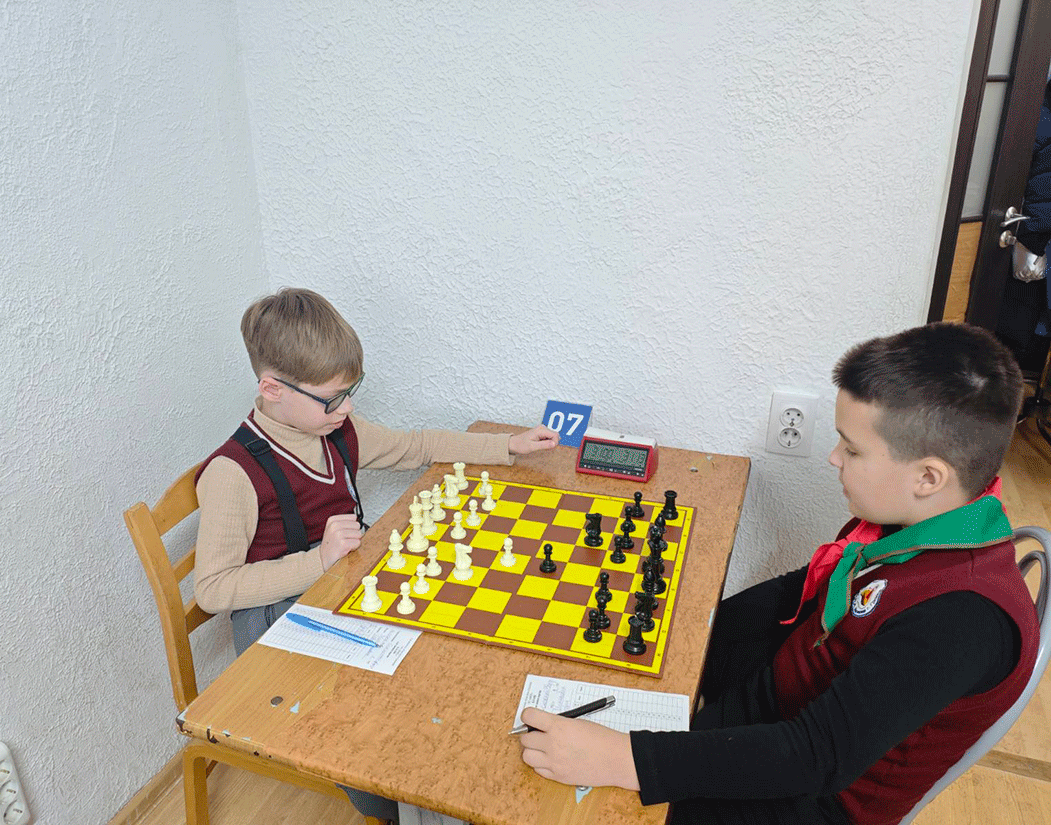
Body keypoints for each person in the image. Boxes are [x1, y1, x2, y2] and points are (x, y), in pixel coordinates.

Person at [518, 322, 1039, 825]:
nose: (833, 458)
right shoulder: (915, 520)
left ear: (928, 477)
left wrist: (624, 759)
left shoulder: (962, 618)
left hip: (806, 795)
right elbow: (804, 592)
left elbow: (816, 756)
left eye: (852, 449)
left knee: (542, 799)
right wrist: (680, 628)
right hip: (771, 705)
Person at [194, 287, 558, 821]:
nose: (347, 408)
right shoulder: (233, 473)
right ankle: (392, 801)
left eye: (351, 391)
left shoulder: (337, 430)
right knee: (390, 701)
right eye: (332, 398)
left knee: (451, 636)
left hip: (339, 587)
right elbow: (212, 590)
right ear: (272, 389)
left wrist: (507, 446)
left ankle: (439, 781)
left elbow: (416, 447)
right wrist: (317, 562)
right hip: (278, 624)